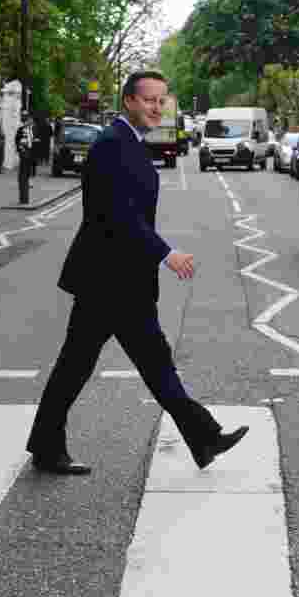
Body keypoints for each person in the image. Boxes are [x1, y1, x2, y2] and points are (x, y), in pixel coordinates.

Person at [25, 70, 249, 475]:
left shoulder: (127, 142)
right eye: (150, 100)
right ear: (129, 100)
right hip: (109, 281)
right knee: (88, 367)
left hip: (120, 280)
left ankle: (203, 438)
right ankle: (203, 437)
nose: (158, 107)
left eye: (161, 100)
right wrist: (166, 254)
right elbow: (118, 215)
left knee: (139, 365)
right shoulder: (113, 145)